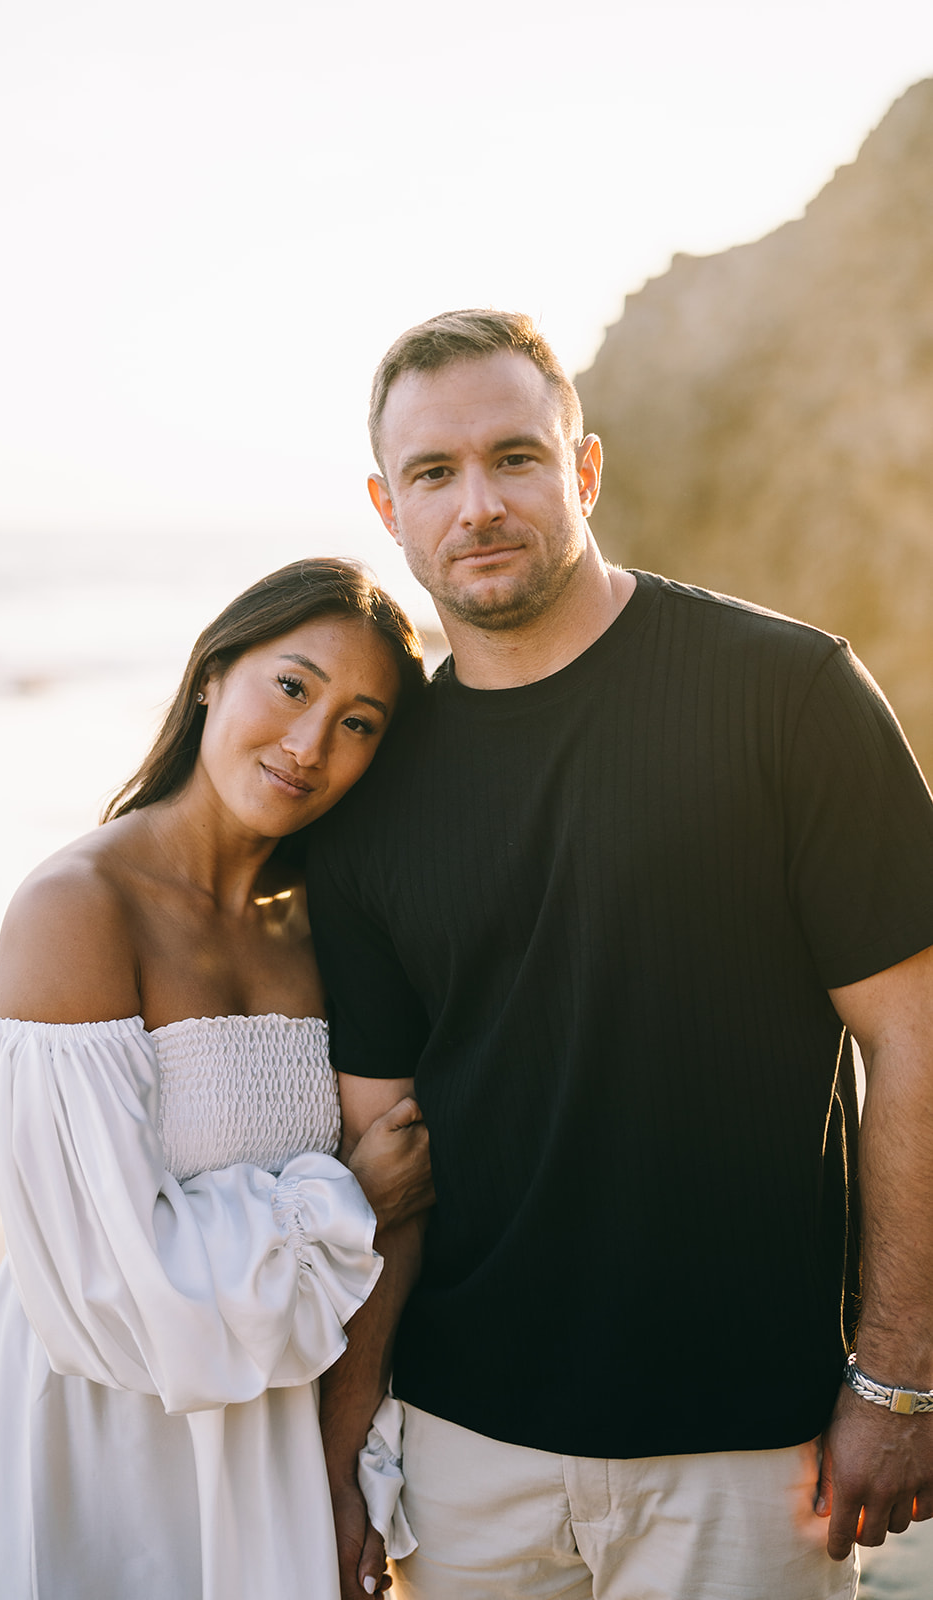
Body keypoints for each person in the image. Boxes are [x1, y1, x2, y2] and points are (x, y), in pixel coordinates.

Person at [307, 311, 933, 1600]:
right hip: (462, 1452)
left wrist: (897, 1376)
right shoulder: (367, 791)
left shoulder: (787, 694)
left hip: (746, 1444)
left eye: (514, 458)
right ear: (387, 506)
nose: (476, 504)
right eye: (433, 473)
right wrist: (343, 1445)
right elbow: (389, 1154)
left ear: (582, 470)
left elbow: (913, 1037)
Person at [0, 556, 434, 1600]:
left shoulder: (336, 929)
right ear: (211, 676)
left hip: (269, 1420)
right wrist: (350, 1199)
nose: (308, 744)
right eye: (292, 685)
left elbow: (406, 1212)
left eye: (360, 722)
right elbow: (102, 1279)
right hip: (97, 1424)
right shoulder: (76, 907)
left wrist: (340, 1455)